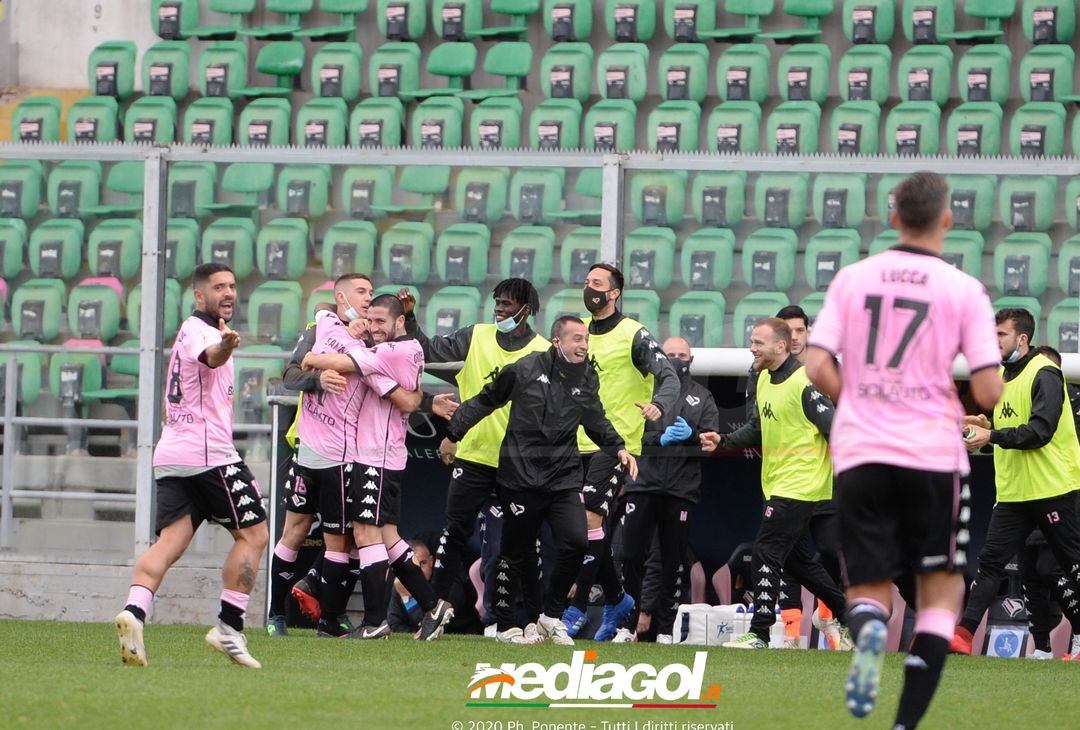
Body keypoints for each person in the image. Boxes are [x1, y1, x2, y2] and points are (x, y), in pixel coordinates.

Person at [805, 171, 1003, 729]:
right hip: (932, 452)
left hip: (862, 450)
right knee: (941, 595)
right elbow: (989, 391)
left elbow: (816, 364)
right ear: (947, 219)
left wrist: (863, 401)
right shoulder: (963, 289)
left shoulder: (854, 278)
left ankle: (869, 628)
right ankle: (904, 724)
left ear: (894, 218)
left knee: (869, 587)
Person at [444, 315, 638, 645]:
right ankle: (506, 626)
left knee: (577, 542)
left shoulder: (587, 376)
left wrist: (618, 447)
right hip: (519, 478)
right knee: (514, 552)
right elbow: (486, 400)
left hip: (563, 478)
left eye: (586, 339)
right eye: (577, 339)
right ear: (556, 342)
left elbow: (595, 419)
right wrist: (453, 433)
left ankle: (550, 616)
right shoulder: (525, 369)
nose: (584, 345)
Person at [114, 263, 269, 668]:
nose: (228, 292)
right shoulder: (202, 331)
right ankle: (229, 627)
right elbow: (212, 357)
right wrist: (226, 346)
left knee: (170, 544)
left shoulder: (191, 331)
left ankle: (133, 612)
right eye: (218, 287)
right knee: (254, 535)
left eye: (232, 285)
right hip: (207, 454)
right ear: (199, 295)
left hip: (173, 453)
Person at [399, 279, 551, 641]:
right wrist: (410, 319)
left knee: (518, 545)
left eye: (507, 304)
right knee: (452, 537)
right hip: (473, 456)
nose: (499, 309)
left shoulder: (544, 351)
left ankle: (520, 620)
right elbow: (429, 351)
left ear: (527, 310)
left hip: (518, 464)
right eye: (497, 302)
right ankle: (434, 613)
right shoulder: (476, 335)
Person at [302, 294, 455, 640]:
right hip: (381, 454)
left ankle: (375, 622)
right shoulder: (399, 349)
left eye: (381, 321)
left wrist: (310, 357)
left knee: (365, 534)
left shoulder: (390, 352)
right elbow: (407, 396)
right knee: (388, 538)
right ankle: (433, 606)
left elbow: (345, 363)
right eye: (370, 321)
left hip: (377, 456)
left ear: (400, 320)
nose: (374, 328)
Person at [699, 318, 847, 650]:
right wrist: (723, 440)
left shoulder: (805, 383)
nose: (751, 348)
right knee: (798, 563)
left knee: (765, 553)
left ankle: (760, 633)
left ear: (780, 346)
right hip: (777, 484)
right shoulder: (764, 377)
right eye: (752, 341)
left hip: (800, 485)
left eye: (758, 342)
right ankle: (851, 616)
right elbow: (756, 427)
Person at [951, 309, 1080, 660]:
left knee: (1071, 565)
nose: (993, 342)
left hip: (1053, 489)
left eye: (1001, 336)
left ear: (1022, 339)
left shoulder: (1045, 373)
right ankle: (963, 635)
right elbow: (1007, 428)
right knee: (990, 563)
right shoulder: (1000, 376)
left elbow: (1039, 432)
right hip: (1014, 493)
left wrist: (991, 435)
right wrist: (983, 428)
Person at [564, 263, 680, 641]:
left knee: (588, 522)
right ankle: (616, 598)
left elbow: (668, 375)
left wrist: (659, 405)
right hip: (574, 442)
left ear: (614, 293)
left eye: (597, 283)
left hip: (615, 446)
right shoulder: (578, 332)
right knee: (576, 530)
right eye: (587, 282)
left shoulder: (634, 334)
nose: (589, 288)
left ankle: (575, 608)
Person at [616, 336, 719, 642]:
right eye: (670, 354)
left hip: (680, 489)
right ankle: (627, 624)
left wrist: (691, 436)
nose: (676, 359)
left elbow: (711, 444)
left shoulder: (703, 396)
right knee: (630, 554)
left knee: (671, 560)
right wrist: (657, 440)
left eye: (682, 355)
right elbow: (628, 435)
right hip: (643, 483)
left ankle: (664, 629)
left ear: (691, 359)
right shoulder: (644, 390)